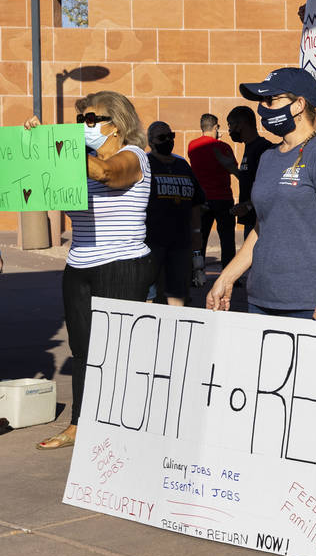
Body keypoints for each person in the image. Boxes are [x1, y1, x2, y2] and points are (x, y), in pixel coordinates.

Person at [26, 92, 155, 450]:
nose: (84, 126)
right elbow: (50, 194)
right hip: (80, 264)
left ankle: (127, 427)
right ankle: (80, 424)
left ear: (117, 123)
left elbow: (107, 173)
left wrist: (58, 144)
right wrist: (39, 149)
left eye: (90, 119)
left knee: (118, 349)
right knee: (82, 349)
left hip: (123, 264)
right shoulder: (79, 161)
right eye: (80, 119)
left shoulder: (135, 158)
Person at [206, 69, 316, 320]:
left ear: (299, 105)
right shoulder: (268, 157)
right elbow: (263, 227)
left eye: (270, 100)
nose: (262, 108)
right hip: (263, 299)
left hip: (310, 303)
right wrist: (227, 276)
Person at [144, 121, 205, 306]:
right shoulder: (145, 164)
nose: (168, 140)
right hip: (151, 243)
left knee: (178, 295)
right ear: (151, 142)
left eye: (171, 136)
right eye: (162, 138)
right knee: (149, 294)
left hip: (180, 243)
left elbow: (196, 203)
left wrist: (196, 237)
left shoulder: (182, 165)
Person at [187, 112, 238, 269]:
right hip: (223, 198)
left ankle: (196, 273)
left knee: (199, 239)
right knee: (227, 239)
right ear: (216, 127)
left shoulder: (192, 145)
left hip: (202, 199)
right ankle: (230, 274)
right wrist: (219, 143)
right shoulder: (223, 147)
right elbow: (232, 168)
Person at [225, 104, 275, 237]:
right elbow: (251, 179)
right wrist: (232, 169)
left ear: (241, 124)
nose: (229, 130)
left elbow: (270, 184)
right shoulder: (249, 147)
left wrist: (247, 206)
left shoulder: (263, 148)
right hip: (251, 219)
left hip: (261, 220)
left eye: (230, 124)